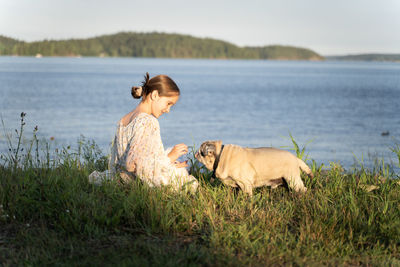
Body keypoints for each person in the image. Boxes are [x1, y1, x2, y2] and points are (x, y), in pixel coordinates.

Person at [89, 72, 198, 193]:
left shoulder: (123, 120)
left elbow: (116, 160)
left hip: (119, 177)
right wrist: (170, 158)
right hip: (137, 180)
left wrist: (169, 162)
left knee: (175, 161)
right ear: (155, 95)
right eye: (168, 104)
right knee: (183, 174)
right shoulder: (148, 121)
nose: (168, 110)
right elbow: (133, 164)